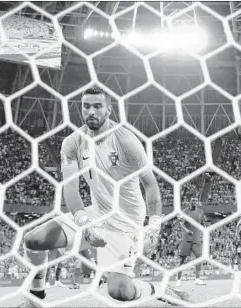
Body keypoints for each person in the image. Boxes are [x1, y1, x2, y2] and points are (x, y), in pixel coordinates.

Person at [19, 86, 190, 306]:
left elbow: (151, 185)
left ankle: (159, 291)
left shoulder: (126, 140)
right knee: (33, 240)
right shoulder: (72, 143)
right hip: (95, 214)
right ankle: (36, 296)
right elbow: (70, 188)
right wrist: (85, 223)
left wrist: (154, 226)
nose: (91, 111)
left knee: (120, 292)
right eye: (86, 106)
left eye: (98, 106)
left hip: (126, 224)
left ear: (109, 110)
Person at [176, 197, 207, 286]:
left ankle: (197, 279)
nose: (194, 202)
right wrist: (187, 231)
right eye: (192, 200)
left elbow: (202, 222)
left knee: (199, 257)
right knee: (182, 260)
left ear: (198, 202)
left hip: (196, 239)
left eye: (196, 201)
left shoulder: (200, 212)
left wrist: (205, 228)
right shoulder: (185, 212)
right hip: (186, 239)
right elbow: (181, 223)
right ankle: (178, 280)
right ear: (189, 202)